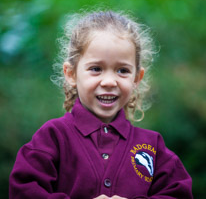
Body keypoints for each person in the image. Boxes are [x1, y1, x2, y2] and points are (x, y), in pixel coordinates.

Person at [9, 10, 193, 199]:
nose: (109, 82)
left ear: (137, 78)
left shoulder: (152, 146)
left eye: (122, 70)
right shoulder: (53, 137)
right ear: (71, 74)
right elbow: (23, 191)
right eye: (96, 69)